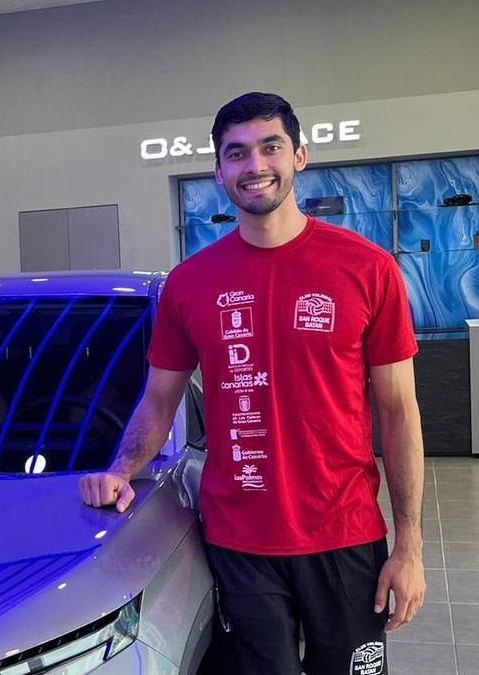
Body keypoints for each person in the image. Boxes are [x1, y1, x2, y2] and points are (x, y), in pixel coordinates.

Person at [78, 92, 425, 675]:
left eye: (270, 147)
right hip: (239, 542)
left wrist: (410, 545)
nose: (255, 165)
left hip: (344, 535)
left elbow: (398, 410)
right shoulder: (190, 284)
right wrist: (119, 470)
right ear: (218, 171)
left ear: (300, 157)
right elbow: (160, 398)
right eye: (236, 153)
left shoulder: (368, 269)